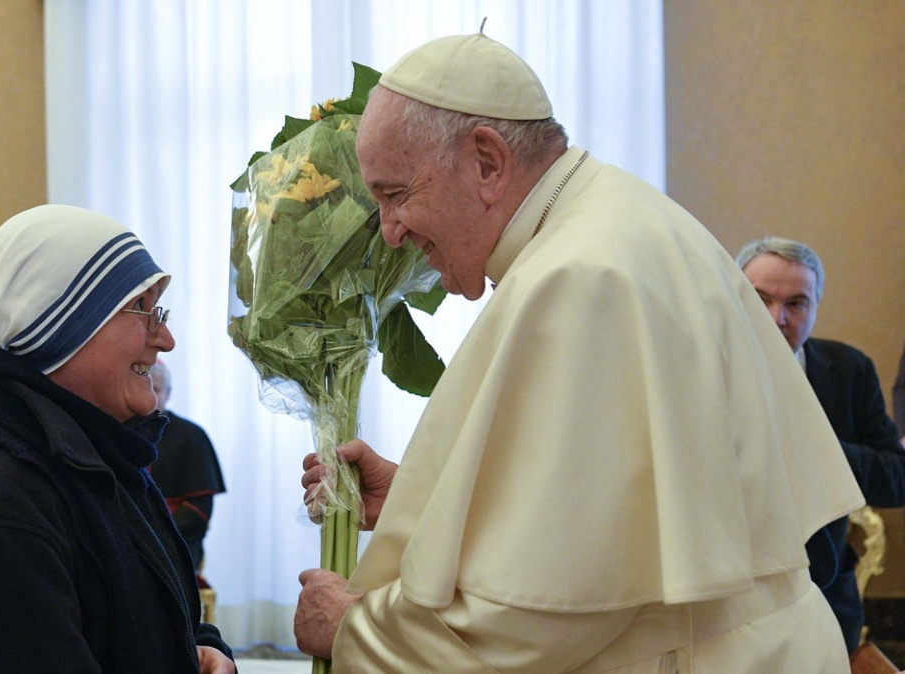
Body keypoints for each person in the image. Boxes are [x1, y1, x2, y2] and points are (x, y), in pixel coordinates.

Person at [295, 33, 864, 672]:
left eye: (395, 194)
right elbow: (605, 527)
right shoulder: (615, 221)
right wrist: (419, 506)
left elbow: (539, 617)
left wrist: (356, 628)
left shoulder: (579, 276)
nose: (390, 230)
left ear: (486, 161)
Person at [0, 204, 235, 674]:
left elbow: (150, 616)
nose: (165, 339)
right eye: (142, 309)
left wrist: (201, 651)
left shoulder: (92, 456)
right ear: (61, 323)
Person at [737, 236, 905, 653]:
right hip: (732, 597)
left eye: (796, 303)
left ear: (815, 308)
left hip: (825, 593)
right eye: (759, 299)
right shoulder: (699, 368)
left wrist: (813, 448)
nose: (777, 318)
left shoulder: (849, 370)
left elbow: (896, 479)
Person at [148, 360, 226, 574]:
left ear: (168, 393)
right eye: (144, 387)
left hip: (175, 545)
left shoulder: (191, 436)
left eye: (155, 389)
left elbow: (197, 513)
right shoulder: (118, 431)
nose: (150, 396)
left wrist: (154, 536)